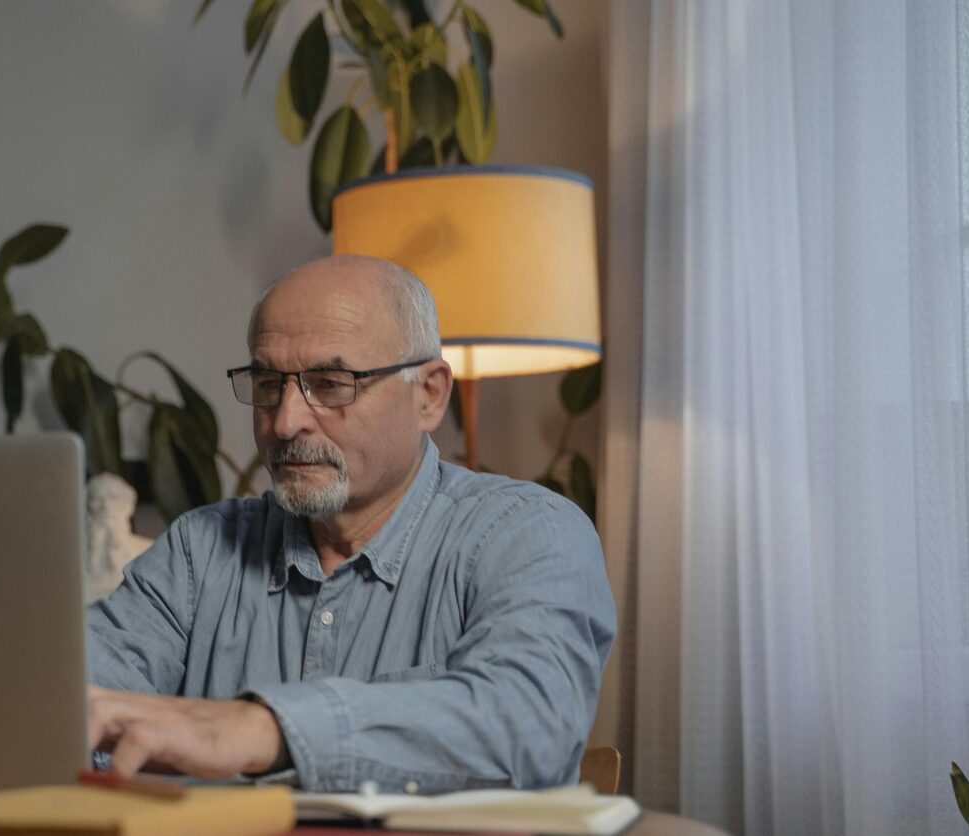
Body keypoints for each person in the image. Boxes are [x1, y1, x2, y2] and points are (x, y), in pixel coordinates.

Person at [85, 254, 616, 793]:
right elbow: (67, 699)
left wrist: (267, 728)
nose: (287, 420)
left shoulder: (529, 532)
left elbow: (530, 726)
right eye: (269, 384)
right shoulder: (200, 551)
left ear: (428, 395)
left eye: (331, 382)